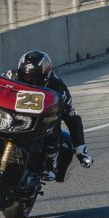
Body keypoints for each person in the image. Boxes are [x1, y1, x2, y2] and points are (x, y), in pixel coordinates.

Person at [6, 50, 93, 181]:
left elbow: (72, 118)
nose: (32, 83)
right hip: (12, 118)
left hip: (38, 124)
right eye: (27, 77)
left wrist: (80, 149)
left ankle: (49, 164)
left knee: (54, 123)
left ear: (46, 76)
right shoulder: (10, 76)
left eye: (36, 78)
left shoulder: (59, 88)